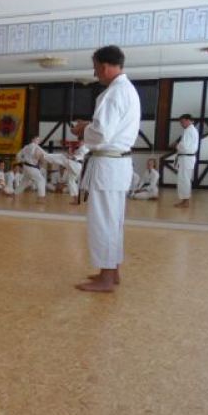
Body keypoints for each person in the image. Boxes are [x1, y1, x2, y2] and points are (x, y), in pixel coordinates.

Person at [71, 45, 140, 293]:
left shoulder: (114, 93)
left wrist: (83, 130)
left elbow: (101, 134)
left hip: (108, 166)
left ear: (104, 66)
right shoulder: (127, 89)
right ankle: (111, 271)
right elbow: (108, 128)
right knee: (114, 220)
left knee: (103, 221)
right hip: (117, 164)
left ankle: (106, 278)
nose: (95, 72)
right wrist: (90, 125)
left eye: (95, 67)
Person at [174, 113, 198, 208]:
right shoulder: (191, 130)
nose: (181, 124)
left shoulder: (189, 130)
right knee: (184, 179)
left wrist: (177, 145)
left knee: (184, 179)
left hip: (187, 158)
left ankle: (186, 201)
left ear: (188, 120)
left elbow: (184, 146)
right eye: (180, 122)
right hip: (187, 158)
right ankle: (184, 200)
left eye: (182, 122)